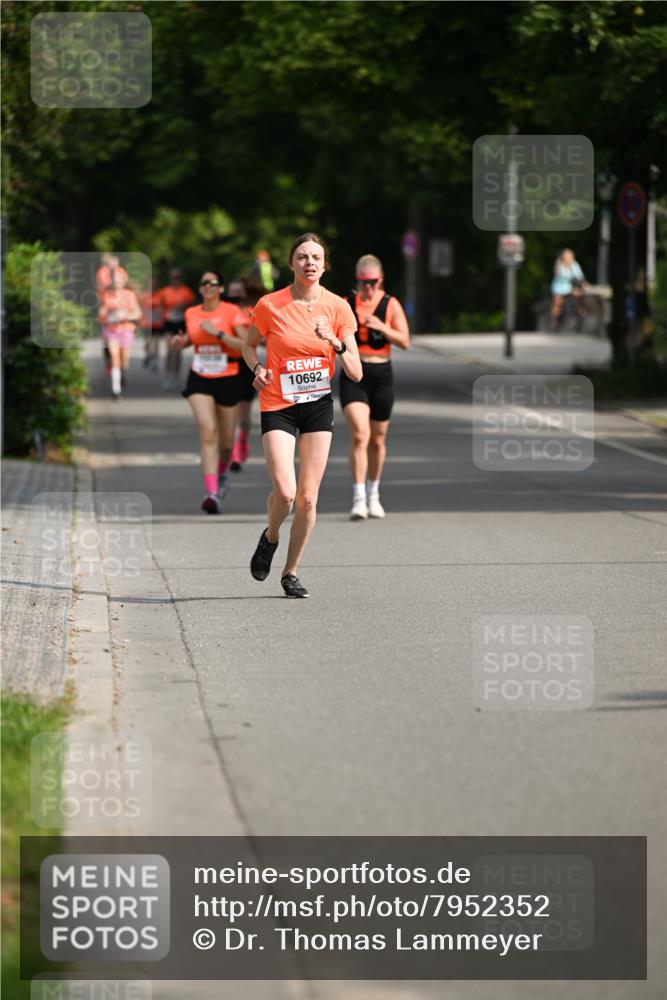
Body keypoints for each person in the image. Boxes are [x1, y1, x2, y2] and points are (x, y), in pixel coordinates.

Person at [242, 233, 362, 599]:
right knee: (286, 492)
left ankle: (290, 572)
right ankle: (271, 535)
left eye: (316, 257)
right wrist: (258, 368)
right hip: (278, 403)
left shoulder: (339, 307)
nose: (309, 262)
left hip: (317, 405)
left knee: (309, 498)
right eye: (301, 256)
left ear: (325, 265)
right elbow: (248, 346)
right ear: (291, 263)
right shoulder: (270, 304)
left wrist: (336, 342)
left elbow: (356, 372)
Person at [170, 270, 247, 514]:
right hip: (200, 377)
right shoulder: (191, 313)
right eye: (204, 283)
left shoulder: (232, 312)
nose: (208, 286)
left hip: (229, 377)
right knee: (207, 430)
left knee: (226, 443)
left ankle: (223, 474)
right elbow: (191, 339)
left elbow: (246, 345)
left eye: (213, 283)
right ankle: (211, 493)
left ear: (221, 288)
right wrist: (180, 343)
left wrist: (219, 334)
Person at [340, 254, 410, 520]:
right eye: (362, 282)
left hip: (382, 373)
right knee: (360, 434)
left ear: (380, 280)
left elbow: (405, 341)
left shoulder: (390, 304)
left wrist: (383, 327)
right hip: (354, 374)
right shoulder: (347, 303)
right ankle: (358, 498)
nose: (367, 287)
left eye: (372, 282)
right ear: (357, 280)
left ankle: (373, 494)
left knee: (378, 440)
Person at [227, 277, 265, 472]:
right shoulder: (222, 311)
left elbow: (254, 339)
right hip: (225, 365)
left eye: (238, 292)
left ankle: (241, 443)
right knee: (228, 411)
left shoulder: (253, 311)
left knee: (243, 413)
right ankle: (231, 451)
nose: (234, 296)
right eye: (231, 292)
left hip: (245, 366)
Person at [98, 269, 142, 399]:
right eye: (114, 280)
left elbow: (137, 313)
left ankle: (122, 373)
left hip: (126, 329)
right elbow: (102, 312)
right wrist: (103, 314)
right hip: (112, 330)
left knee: (124, 360)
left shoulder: (130, 295)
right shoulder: (107, 295)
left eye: (118, 280)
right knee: (114, 356)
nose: (116, 282)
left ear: (124, 281)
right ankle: (116, 390)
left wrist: (126, 316)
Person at [159, 268, 196, 390]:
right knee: (169, 349)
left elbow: (192, 305)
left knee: (178, 349)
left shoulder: (186, 291)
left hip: (180, 322)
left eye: (178, 277)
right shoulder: (165, 291)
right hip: (169, 322)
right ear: (170, 279)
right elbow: (160, 306)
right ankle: (167, 376)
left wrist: (183, 307)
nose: (176, 280)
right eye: (174, 278)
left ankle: (175, 376)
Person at [550, 249, 587, 330]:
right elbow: (559, 276)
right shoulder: (559, 263)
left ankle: (580, 321)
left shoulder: (574, 264)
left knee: (579, 299)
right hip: (559, 286)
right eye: (566, 256)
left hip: (571, 287)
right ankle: (554, 322)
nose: (568, 258)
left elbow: (580, 277)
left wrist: (582, 285)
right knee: (557, 302)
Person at [139, 276, 165, 371]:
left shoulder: (160, 295)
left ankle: (155, 362)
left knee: (156, 343)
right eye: (151, 283)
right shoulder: (143, 295)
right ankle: (148, 355)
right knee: (147, 342)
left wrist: (160, 313)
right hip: (146, 323)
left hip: (157, 323)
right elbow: (140, 308)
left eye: (154, 283)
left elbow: (163, 307)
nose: (153, 285)